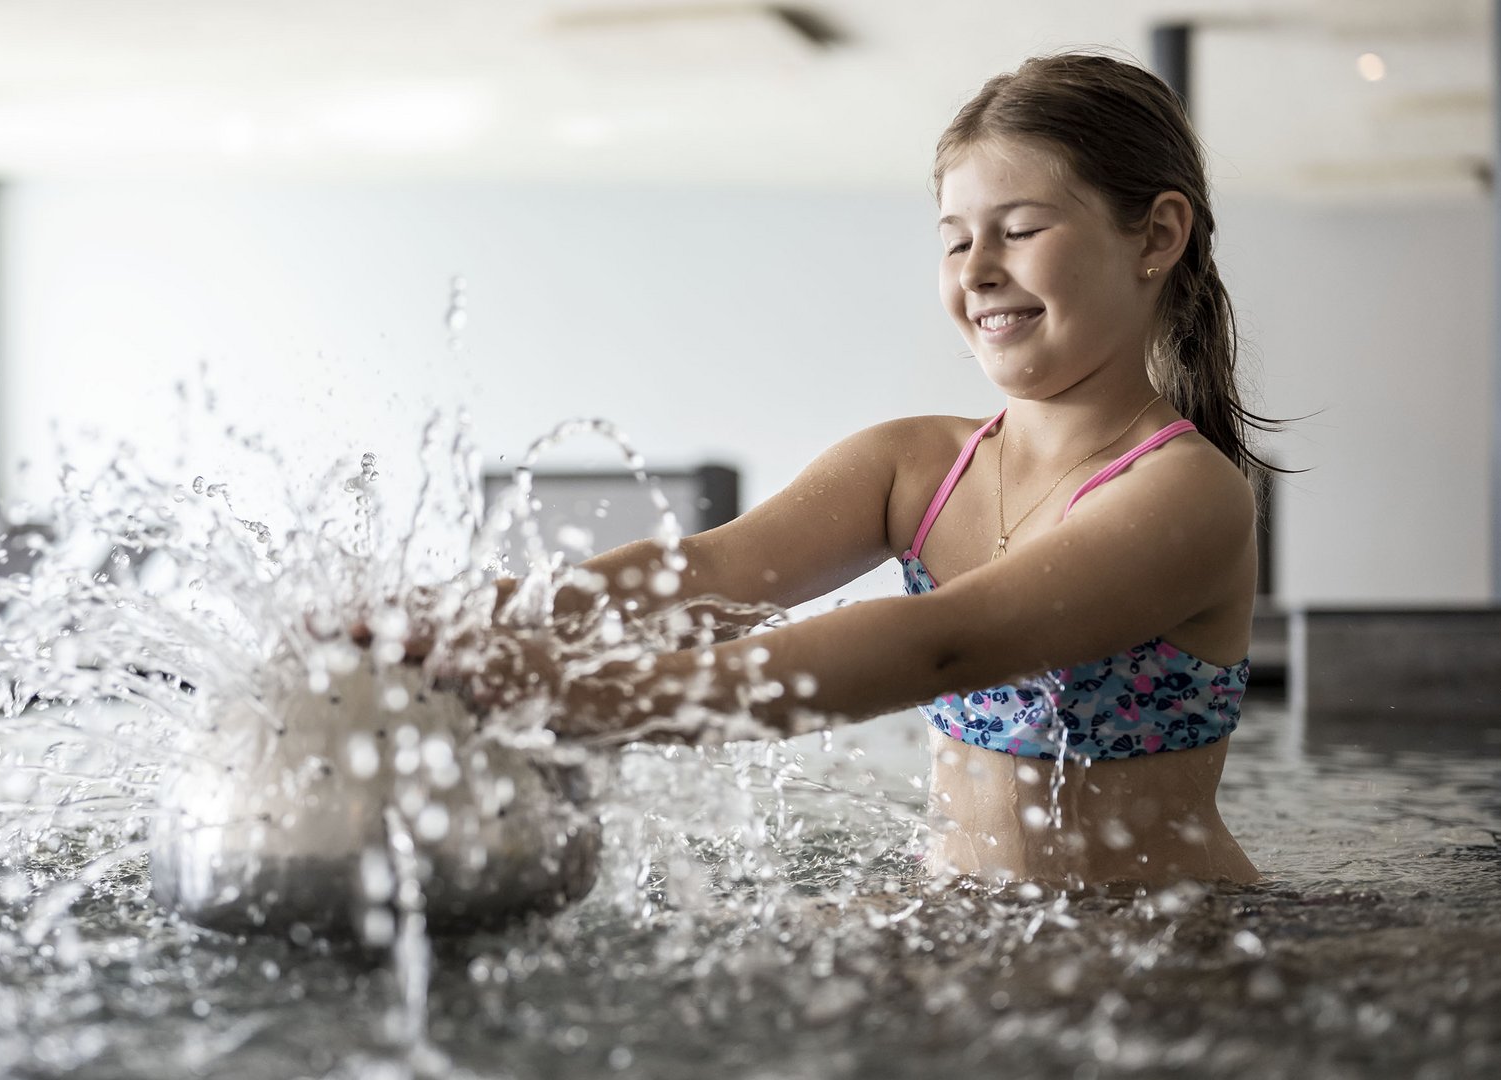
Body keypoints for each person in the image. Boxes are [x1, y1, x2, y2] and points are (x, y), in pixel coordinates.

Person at [424, 52, 1275, 892]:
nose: (977, 270)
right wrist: (470, 620)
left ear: (1157, 235)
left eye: (1019, 231)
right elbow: (714, 572)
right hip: (958, 911)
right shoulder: (913, 465)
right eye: (955, 240)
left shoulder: (1187, 494)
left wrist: (590, 696)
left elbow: (943, 645)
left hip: (1169, 943)